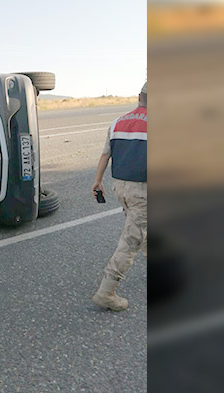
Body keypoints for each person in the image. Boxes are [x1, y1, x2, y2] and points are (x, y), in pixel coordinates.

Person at [90, 82, 147, 311]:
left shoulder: (117, 122)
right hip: (142, 191)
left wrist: (97, 181)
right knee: (131, 241)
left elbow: (106, 154)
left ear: (139, 97)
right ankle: (106, 292)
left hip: (120, 188)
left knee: (142, 225)